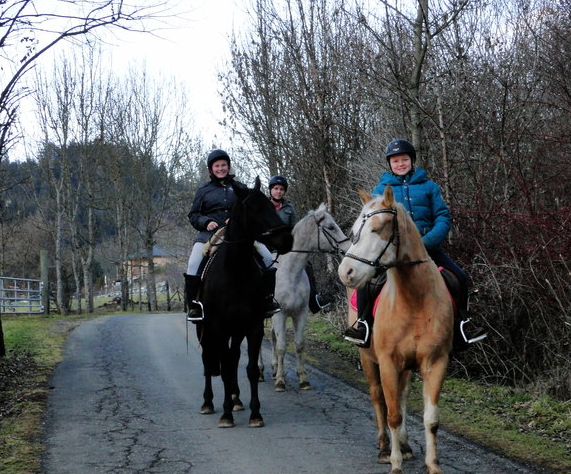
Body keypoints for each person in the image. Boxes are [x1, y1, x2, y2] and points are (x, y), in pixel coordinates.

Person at [343, 139, 487, 349]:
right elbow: (375, 223)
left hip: (427, 250)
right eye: (395, 161)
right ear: (389, 164)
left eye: (404, 160)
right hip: (391, 252)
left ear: (412, 161)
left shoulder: (429, 187)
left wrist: (428, 242)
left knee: (460, 278)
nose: (400, 164)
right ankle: (363, 325)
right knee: (368, 283)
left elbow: (443, 216)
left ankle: (463, 325)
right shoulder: (381, 189)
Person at [183, 149, 280, 322]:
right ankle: (194, 306)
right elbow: (193, 215)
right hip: (210, 234)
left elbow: (253, 210)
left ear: (228, 166)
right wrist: (206, 222)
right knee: (194, 261)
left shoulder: (241, 188)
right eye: (217, 166)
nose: (221, 168)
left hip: (240, 234)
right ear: (211, 170)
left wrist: (238, 220)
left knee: (266, 256)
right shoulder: (203, 190)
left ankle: (267, 300)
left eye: (224, 165)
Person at [268, 175, 332, 313]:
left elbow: (294, 229)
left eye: (281, 189)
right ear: (270, 190)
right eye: (276, 189)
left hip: (285, 248)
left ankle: (314, 299)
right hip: (268, 247)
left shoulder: (289, 208)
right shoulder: (264, 206)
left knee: (307, 264)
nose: (278, 191)